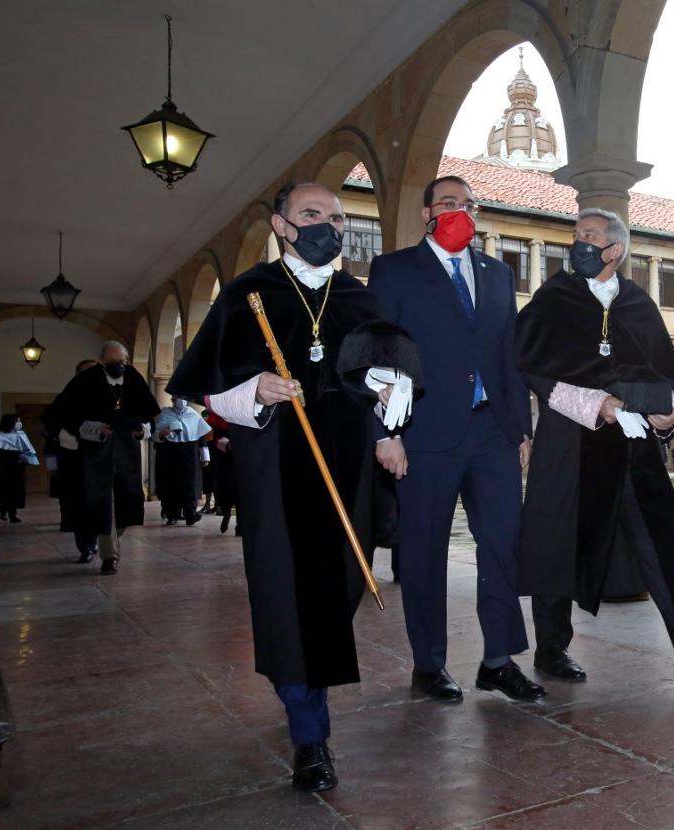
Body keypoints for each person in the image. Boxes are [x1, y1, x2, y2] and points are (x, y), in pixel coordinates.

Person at [168, 182, 421, 793]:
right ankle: (310, 735)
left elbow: (386, 377)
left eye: (336, 217)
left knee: (334, 593)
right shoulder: (246, 295)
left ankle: (312, 707)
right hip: (276, 472)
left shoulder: (359, 298)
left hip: (347, 471)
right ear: (281, 225)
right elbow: (208, 386)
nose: (327, 226)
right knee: (288, 600)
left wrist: (391, 412)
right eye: (312, 215)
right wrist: (253, 389)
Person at [517, 207, 674, 691]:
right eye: (575, 234)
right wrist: (596, 403)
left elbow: (661, 378)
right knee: (558, 543)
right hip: (569, 441)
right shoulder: (554, 297)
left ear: (614, 250)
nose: (577, 241)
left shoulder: (639, 303)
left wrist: (669, 418)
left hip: (631, 448)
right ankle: (552, 648)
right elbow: (534, 370)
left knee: (659, 544)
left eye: (589, 235)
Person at [369, 175, 543, 703]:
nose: (460, 211)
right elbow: (382, 354)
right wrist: (386, 432)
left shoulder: (496, 274)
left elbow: (509, 356)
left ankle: (498, 660)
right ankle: (429, 663)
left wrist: (521, 430)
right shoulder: (395, 269)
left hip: (493, 431)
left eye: (469, 204)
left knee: (502, 543)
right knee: (424, 550)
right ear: (427, 212)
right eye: (448, 203)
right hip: (423, 430)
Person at [50, 341, 160, 575]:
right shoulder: (85, 380)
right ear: (102, 361)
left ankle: (111, 540)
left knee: (129, 498)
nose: (118, 366)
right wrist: (90, 428)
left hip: (126, 450)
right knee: (104, 501)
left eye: (122, 362)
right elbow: (60, 414)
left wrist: (143, 429)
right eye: (112, 362)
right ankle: (109, 556)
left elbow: (149, 414)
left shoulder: (133, 377)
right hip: (94, 453)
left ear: (127, 360)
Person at [43, 359, 101, 561]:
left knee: (99, 501)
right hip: (74, 455)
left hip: (100, 456)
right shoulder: (67, 397)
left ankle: (96, 541)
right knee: (78, 501)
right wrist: (65, 434)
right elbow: (50, 420)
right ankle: (85, 545)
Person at [152, 397, 211, 526]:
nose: (181, 400)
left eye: (183, 397)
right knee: (170, 483)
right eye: (178, 397)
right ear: (173, 399)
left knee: (190, 484)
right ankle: (172, 514)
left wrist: (205, 455)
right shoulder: (165, 413)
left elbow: (201, 436)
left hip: (189, 452)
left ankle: (190, 514)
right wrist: (162, 433)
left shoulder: (193, 414)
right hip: (169, 452)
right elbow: (154, 435)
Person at [0, 415, 38, 522]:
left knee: (17, 491)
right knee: (6, 490)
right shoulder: (0, 435)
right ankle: (3, 509)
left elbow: (28, 448)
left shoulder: (21, 434)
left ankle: (13, 513)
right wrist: (11, 455)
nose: (20, 423)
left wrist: (26, 457)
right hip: (6, 468)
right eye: (17, 421)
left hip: (18, 468)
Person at [203, 405, 239, 535]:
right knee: (226, 488)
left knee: (241, 490)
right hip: (224, 458)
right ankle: (226, 513)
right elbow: (210, 438)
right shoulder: (216, 417)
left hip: (240, 457)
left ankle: (240, 524)